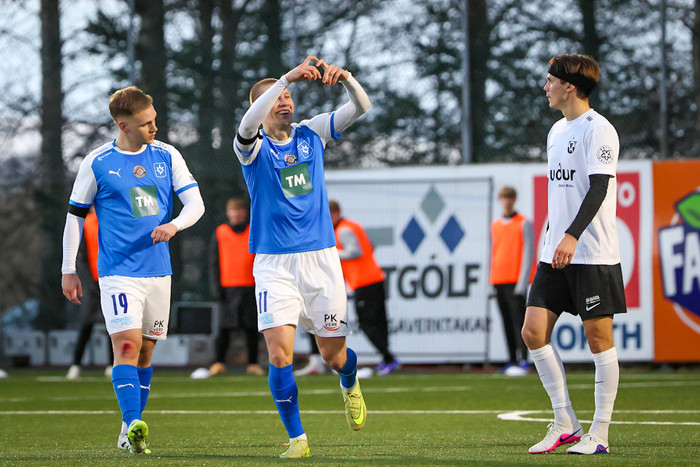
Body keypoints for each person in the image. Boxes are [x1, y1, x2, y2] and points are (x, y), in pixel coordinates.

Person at [233, 56, 371, 458]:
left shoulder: (312, 133)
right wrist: (286, 77)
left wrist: (346, 78)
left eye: (288, 96)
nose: (285, 101)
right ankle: (297, 439)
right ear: (262, 108)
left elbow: (361, 107)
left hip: (320, 260)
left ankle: (349, 380)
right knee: (279, 354)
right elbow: (246, 124)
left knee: (333, 355)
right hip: (273, 264)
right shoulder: (252, 148)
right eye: (277, 97)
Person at [61, 86, 205, 455]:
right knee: (126, 345)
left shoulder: (167, 155)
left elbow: (195, 203)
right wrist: (68, 268)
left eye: (154, 120)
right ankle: (133, 421)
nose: (155, 127)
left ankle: (129, 432)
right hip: (117, 272)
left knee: (145, 353)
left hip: (158, 271)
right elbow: (75, 218)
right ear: (123, 125)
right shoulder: (96, 162)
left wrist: (174, 225)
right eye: (146, 124)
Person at [522, 54, 625, 455]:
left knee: (598, 338)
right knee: (532, 332)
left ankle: (599, 434)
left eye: (549, 80)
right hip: (555, 252)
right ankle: (565, 423)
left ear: (569, 86)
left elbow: (599, 188)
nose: (544, 87)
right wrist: (555, 239)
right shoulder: (555, 130)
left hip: (592, 253)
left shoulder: (599, 129)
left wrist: (572, 235)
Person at [200, 197, 264, 377]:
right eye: (233, 210)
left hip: (251, 286)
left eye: (240, 210)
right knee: (224, 328)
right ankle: (218, 362)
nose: (236, 214)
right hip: (227, 288)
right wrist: (216, 287)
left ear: (245, 213)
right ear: (228, 213)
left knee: (251, 328)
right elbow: (213, 261)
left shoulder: (253, 231)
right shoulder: (220, 232)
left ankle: (253, 363)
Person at [489, 186, 534, 377]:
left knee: (519, 321)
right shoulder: (495, 225)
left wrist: (522, 283)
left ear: (514, 200)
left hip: (515, 280)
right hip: (498, 279)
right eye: (503, 198)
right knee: (506, 321)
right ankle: (511, 359)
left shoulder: (524, 223)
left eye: (509, 198)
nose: (506, 202)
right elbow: (494, 252)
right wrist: (491, 280)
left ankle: (524, 359)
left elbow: (528, 253)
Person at [66, 208, 115, 380]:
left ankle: (112, 365)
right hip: (92, 285)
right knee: (86, 324)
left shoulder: (112, 221)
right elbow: (81, 257)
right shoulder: (86, 224)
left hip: (111, 282)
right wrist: (90, 283)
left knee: (113, 324)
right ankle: (75, 365)